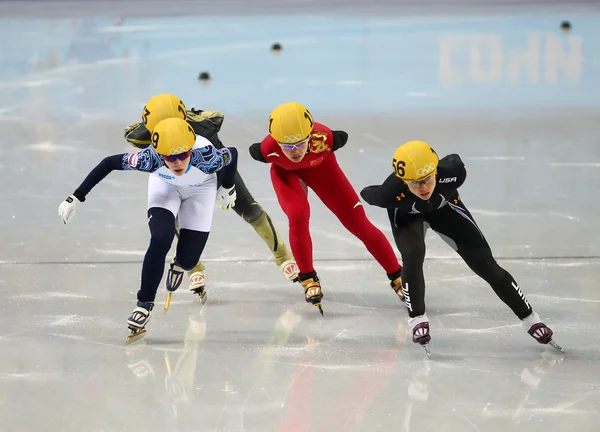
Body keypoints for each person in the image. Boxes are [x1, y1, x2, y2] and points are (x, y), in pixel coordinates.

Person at [360, 140, 563, 356]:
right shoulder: (388, 195)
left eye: (427, 179)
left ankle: (530, 319)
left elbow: (455, 159)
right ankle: (417, 318)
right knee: (412, 255)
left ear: (436, 171)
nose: (423, 188)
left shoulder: (454, 173)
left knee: (485, 264)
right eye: (414, 183)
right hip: (406, 217)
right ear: (403, 182)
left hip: (445, 210)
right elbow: (368, 192)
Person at [58, 117, 238, 342]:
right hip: (166, 188)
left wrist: (228, 187)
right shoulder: (149, 159)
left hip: (200, 190)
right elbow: (107, 163)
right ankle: (144, 304)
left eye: (183, 155)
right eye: (171, 158)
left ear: (191, 150)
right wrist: (76, 196)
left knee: (189, 261)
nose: (178, 162)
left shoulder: (206, 157)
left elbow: (232, 154)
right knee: (161, 238)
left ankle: (181, 263)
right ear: (160, 154)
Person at [124, 94, 299, 300]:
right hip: (182, 179)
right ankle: (193, 267)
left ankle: (283, 257)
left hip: (218, 172)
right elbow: (131, 134)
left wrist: (195, 115)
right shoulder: (143, 134)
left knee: (250, 210)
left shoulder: (204, 126)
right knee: (177, 219)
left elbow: (216, 117)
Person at [249, 102, 403, 314]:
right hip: (287, 175)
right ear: (277, 142)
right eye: (287, 146)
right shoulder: (267, 149)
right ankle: (308, 277)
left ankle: (397, 275)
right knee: (298, 215)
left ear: (311, 135)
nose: (295, 152)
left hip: (322, 169)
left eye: (301, 144)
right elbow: (254, 151)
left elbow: (342, 137)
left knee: (359, 223)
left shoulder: (326, 138)